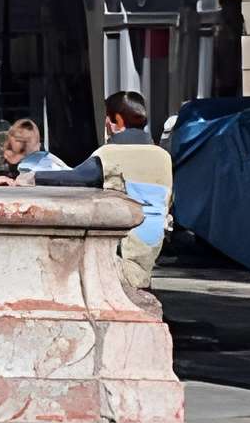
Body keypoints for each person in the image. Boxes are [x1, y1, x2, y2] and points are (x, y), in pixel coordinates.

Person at [28, 90, 176, 291]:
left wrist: (32, 178)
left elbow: (79, 178)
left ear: (116, 121)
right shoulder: (163, 156)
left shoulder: (110, 154)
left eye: (108, 117)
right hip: (151, 245)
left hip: (123, 250)